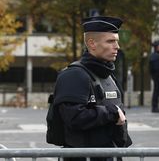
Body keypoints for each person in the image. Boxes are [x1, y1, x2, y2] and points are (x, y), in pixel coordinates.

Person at [52, 16, 132, 160]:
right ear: (92, 43)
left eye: (117, 41)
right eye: (111, 41)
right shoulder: (74, 75)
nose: (117, 47)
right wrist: (112, 113)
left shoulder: (108, 76)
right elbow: (73, 117)